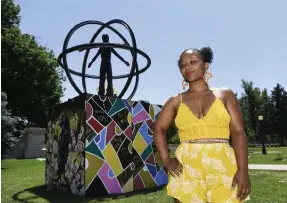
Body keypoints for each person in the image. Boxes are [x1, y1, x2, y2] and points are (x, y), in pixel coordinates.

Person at [154, 47, 251, 203]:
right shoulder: (175, 101)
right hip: (186, 168)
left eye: (193, 62)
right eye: (183, 65)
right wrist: (166, 160)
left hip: (223, 164)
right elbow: (158, 130)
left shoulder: (224, 94)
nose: (187, 67)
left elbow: (238, 132)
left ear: (205, 65)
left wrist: (243, 171)